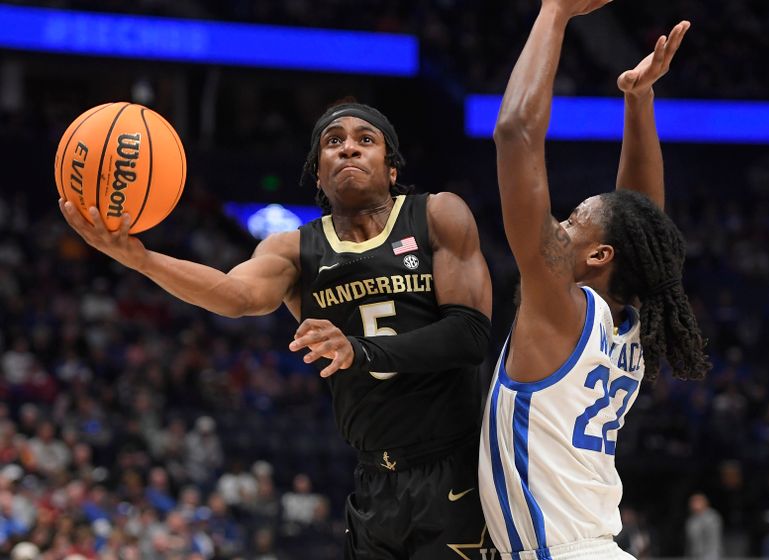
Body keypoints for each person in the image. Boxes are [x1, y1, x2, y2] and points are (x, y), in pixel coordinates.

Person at [59, 101, 493, 559]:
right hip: (374, 480)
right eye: (333, 142)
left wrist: (360, 351)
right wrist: (140, 258)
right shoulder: (294, 250)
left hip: (455, 468)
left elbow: (470, 336)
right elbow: (233, 294)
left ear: (390, 169)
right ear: (318, 176)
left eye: (366, 140)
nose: (348, 148)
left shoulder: (436, 215)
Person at [478, 0, 711, 558]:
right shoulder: (624, 323)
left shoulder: (562, 309)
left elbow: (515, 134)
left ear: (600, 255)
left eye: (572, 219)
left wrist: (554, 12)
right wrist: (638, 101)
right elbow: (641, 216)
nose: (558, 223)